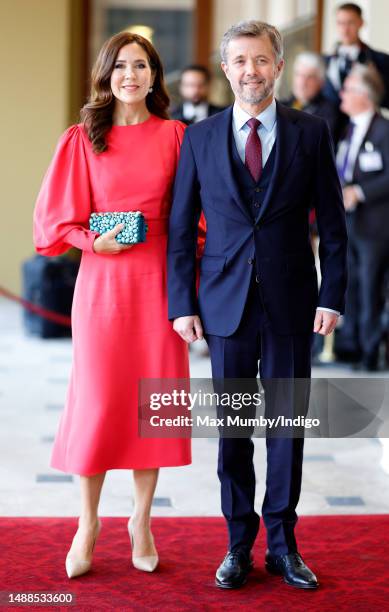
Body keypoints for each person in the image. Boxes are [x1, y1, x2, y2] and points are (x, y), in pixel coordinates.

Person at [168, 20, 347, 591]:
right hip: (223, 307)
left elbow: (335, 229)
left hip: (293, 301)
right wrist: (181, 304)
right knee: (233, 433)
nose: (252, 70)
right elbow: (177, 232)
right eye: (240, 61)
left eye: (262, 60)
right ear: (226, 69)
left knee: (286, 428)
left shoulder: (312, 133)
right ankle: (237, 545)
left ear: (278, 65)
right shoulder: (198, 138)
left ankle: (283, 545)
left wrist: (332, 297)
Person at [33, 31, 191, 579]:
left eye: (142, 65)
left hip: (158, 284)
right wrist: (90, 242)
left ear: (154, 76)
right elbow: (57, 220)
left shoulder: (177, 136)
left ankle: (141, 521)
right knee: (98, 403)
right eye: (121, 66)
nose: (131, 75)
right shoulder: (82, 138)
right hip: (102, 285)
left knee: (153, 407)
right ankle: (88, 522)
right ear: (106, 74)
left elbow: (195, 215)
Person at [335, 63, 389, 370]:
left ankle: (371, 352)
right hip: (350, 224)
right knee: (352, 286)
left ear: (364, 95)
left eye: (348, 89)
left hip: (376, 226)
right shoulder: (349, 129)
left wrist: (360, 192)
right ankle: (352, 346)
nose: (341, 94)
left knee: (370, 288)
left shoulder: (384, 130)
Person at [322, 3, 389, 108]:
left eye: (350, 23)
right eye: (340, 23)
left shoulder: (380, 60)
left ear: (361, 23)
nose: (345, 29)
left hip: (367, 122)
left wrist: (373, 82)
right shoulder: (324, 62)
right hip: (331, 123)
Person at [282, 51, 343, 144]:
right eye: (299, 75)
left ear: (321, 83)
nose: (303, 82)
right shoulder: (281, 105)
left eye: (310, 77)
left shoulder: (329, 113)